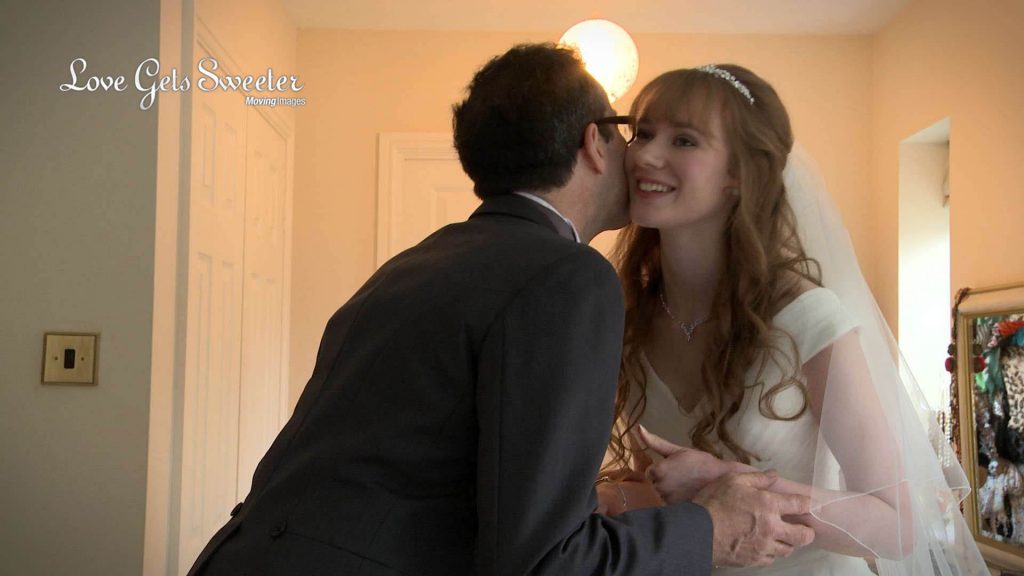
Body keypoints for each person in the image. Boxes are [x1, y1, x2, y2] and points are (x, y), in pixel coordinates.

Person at [186, 45, 814, 576]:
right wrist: (710, 529)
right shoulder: (567, 277)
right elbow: (545, 562)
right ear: (594, 143)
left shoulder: (413, 265)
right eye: (631, 132)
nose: (642, 155)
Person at [598, 64, 989, 574]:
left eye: (684, 141)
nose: (646, 155)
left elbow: (898, 526)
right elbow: (665, 487)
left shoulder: (806, 317)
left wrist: (727, 483)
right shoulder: (629, 314)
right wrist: (617, 497)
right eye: (644, 133)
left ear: (740, 173)